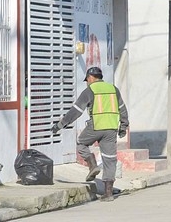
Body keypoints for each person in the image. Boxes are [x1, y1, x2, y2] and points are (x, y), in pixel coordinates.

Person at [51, 67, 129, 202]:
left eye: (87, 80)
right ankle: (108, 193)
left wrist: (60, 125)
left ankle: (92, 164)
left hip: (96, 126)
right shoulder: (113, 89)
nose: (87, 82)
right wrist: (123, 126)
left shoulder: (90, 90)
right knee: (109, 159)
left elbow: (76, 111)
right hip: (111, 128)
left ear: (91, 78)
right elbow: (122, 108)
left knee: (81, 143)